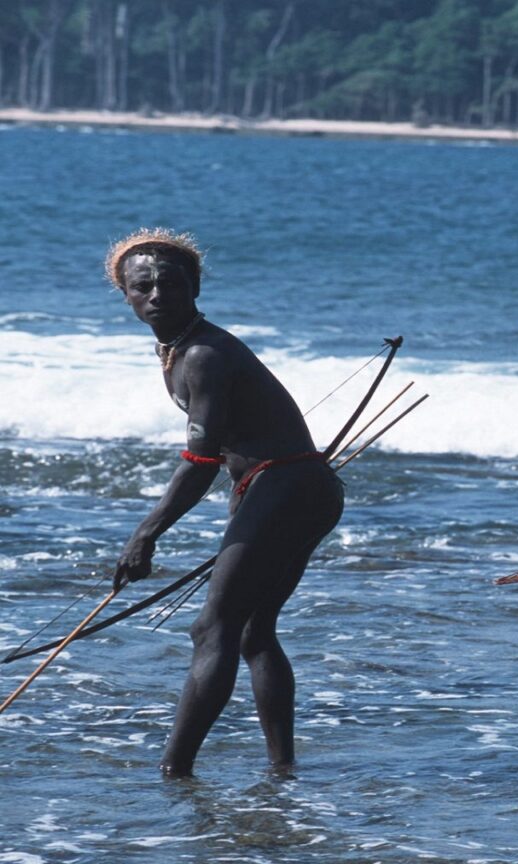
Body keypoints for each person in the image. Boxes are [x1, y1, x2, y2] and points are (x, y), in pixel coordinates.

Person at [105, 228, 344, 776]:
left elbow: (201, 462)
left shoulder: (206, 355)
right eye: (143, 286)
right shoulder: (179, 347)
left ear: (194, 285)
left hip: (286, 487)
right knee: (250, 631)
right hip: (294, 489)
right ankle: (283, 770)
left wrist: (146, 534)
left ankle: (174, 771)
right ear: (126, 295)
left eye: (170, 283)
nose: (157, 294)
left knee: (212, 629)